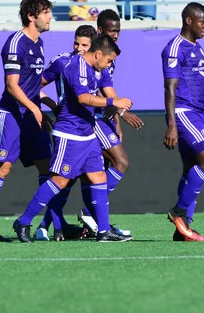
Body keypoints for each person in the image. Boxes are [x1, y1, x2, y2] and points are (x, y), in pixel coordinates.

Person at [13, 35, 134, 243]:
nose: (110, 65)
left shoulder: (98, 69)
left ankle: (104, 231)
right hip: (70, 134)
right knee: (59, 181)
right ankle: (24, 221)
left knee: (99, 178)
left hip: (88, 133)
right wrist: (114, 101)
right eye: (109, 60)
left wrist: (117, 108)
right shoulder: (74, 66)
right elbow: (83, 98)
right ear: (98, 54)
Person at [0, 0, 54, 242]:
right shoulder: (15, 43)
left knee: (48, 167)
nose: (51, 17)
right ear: (32, 16)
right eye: (46, 12)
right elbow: (12, 86)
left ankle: (51, 226)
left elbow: (31, 86)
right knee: (2, 168)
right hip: (11, 115)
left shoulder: (39, 43)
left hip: (31, 115)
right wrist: (35, 108)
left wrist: (50, 104)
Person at [76, 9, 144, 237]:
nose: (116, 35)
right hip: (91, 119)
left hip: (104, 118)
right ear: (100, 30)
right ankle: (88, 213)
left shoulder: (109, 57)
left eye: (118, 31)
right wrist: (123, 113)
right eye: (111, 30)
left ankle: (93, 220)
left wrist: (117, 119)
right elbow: (93, 93)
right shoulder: (90, 56)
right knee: (121, 161)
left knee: (95, 173)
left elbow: (108, 91)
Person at [34, 24, 100, 241]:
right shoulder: (63, 61)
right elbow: (33, 85)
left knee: (82, 176)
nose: (79, 48)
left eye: (84, 45)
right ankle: (46, 225)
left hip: (90, 126)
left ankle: (58, 224)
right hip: (68, 128)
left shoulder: (98, 64)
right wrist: (51, 105)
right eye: (76, 43)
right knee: (63, 178)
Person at [162, 2, 204, 242]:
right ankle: (179, 213)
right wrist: (172, 124)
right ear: (188, 21)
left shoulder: (199, 48)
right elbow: (170, 87)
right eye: (202, 21)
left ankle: (182, 231)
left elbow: (200, 88)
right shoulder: (175, 48)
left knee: (190, 168)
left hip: (197, 113)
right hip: (183, 112)